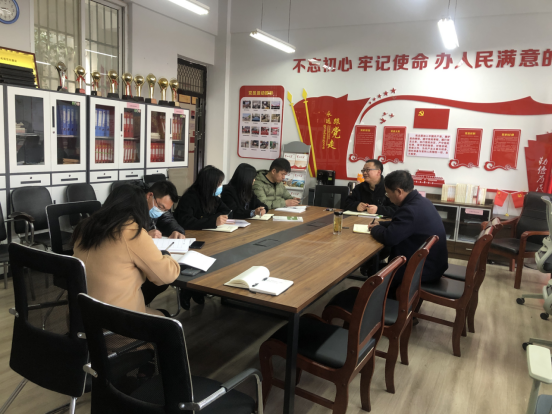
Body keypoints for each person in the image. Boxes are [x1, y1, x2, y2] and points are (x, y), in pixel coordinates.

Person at [72, 185, 181, 317]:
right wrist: (167, 256)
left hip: (80, 316)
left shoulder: (84, 227)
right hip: (116, 321)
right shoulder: (132, 232)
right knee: (165, 316)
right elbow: (166, 275)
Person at [369, 170, 448, 297]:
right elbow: (403, 225)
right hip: (433, 265)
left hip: (422, 272)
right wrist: (382, 224)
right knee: (376, 267)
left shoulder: (409, 210)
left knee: (374, 273)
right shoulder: (421, 201)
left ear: (399, 191)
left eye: (388, 193)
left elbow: (388, 238)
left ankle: (384, 301)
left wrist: (374, 229)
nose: (387, 197)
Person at [174, 165, 232, 230]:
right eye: (218, 184)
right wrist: (213, 221)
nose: (221, 186)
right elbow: (186, 222)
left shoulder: (213, 197)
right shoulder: (189, 198)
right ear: (209, 184)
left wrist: (216, 219)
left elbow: (228, 212)